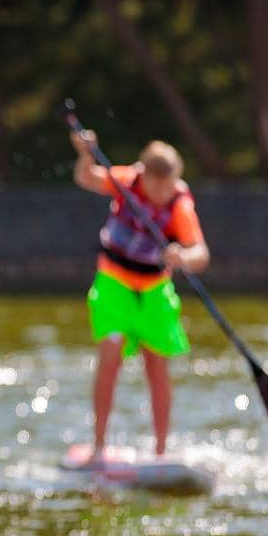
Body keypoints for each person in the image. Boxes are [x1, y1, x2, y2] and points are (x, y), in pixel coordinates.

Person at [70, 131, 211, 460]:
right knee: (110, 356)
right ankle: (99, 446)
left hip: (153, 291)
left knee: (156, 367)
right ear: (143, 173)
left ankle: (160, 452)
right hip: (114, 284)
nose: (161, 194)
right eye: (155, 186)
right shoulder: (126, 180)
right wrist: (85, 153)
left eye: (167, 186)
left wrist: (183, 257)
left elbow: (200, 253)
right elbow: (85, 177)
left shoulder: (180, 204)